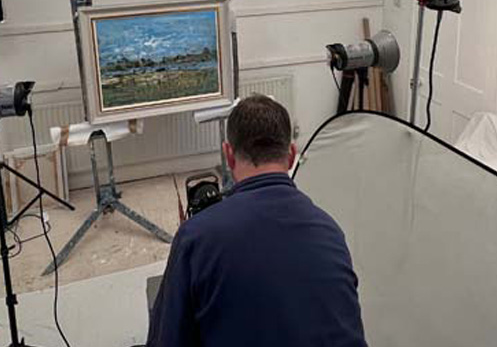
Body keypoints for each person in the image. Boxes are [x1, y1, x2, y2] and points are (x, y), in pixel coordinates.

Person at [147, 94, 367, 347]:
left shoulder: (196, 237)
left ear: (229, 155)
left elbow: (166, 339)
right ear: (291, 155)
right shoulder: (330, 231)